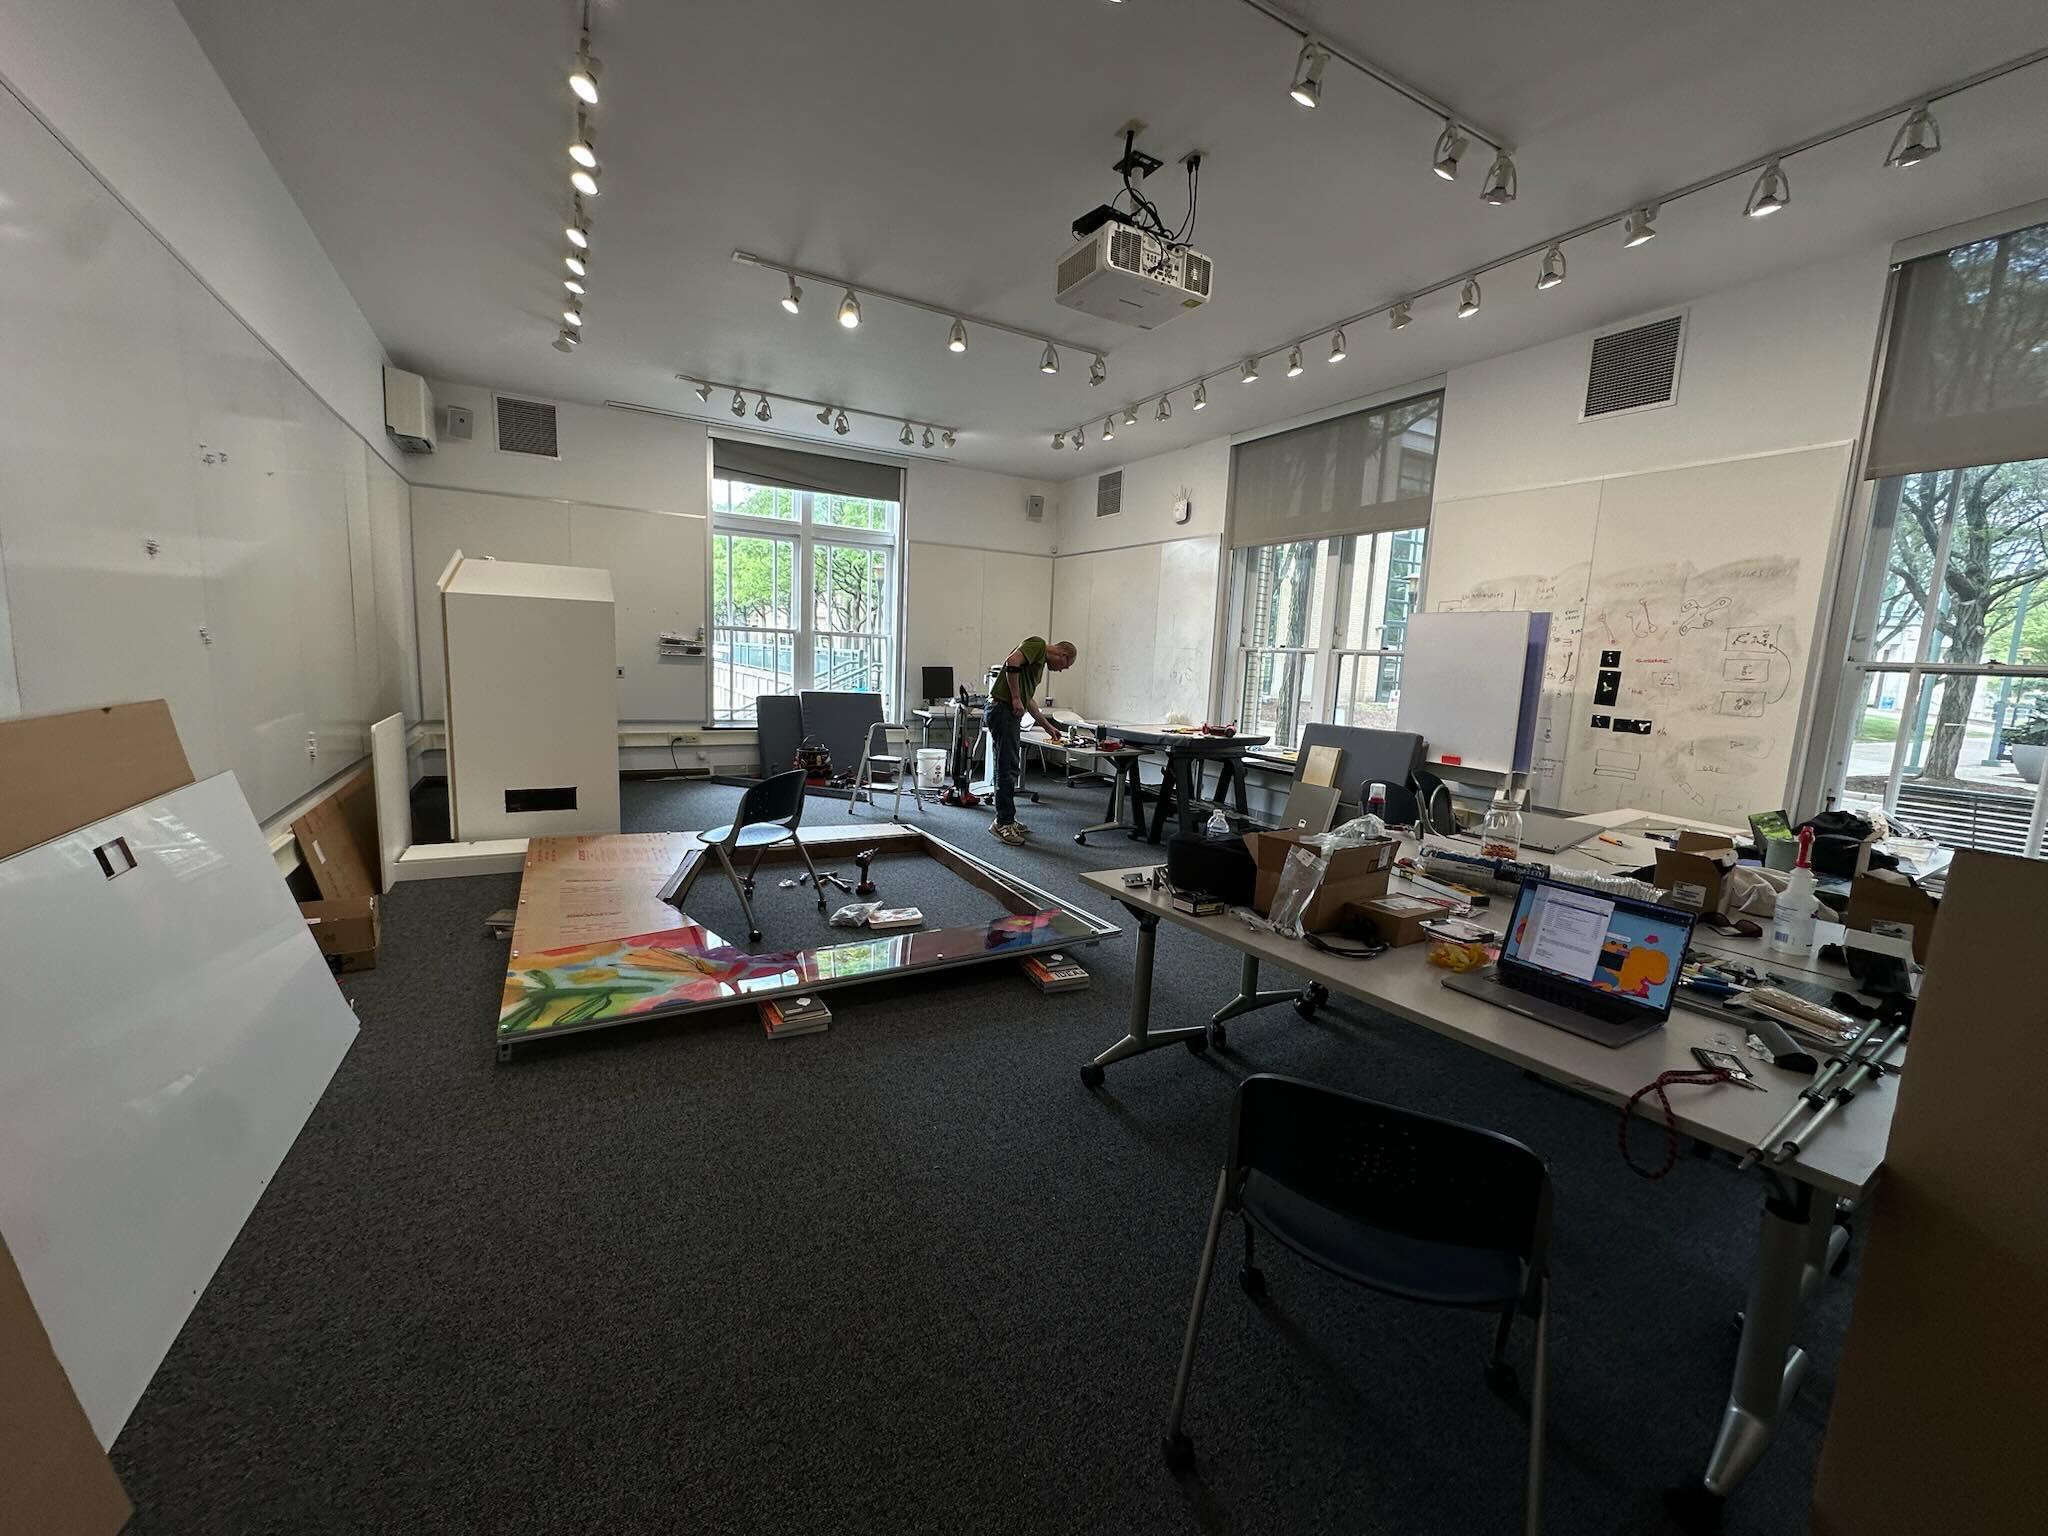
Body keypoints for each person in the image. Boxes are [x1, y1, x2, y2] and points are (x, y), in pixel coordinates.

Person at [984, 636, 1077, 845]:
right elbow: (1011, 662)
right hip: (1003, 710)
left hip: (1006, 712)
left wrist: (1047, 725)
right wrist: (1015, 698)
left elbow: (1029, 700)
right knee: (1007, 768)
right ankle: (1003, 823)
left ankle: (1006, 818)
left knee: (1007, 767)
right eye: (1065, 665)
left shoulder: (1037, 663)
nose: (1062, 670)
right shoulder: (1037, 644)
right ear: (1063, 655)